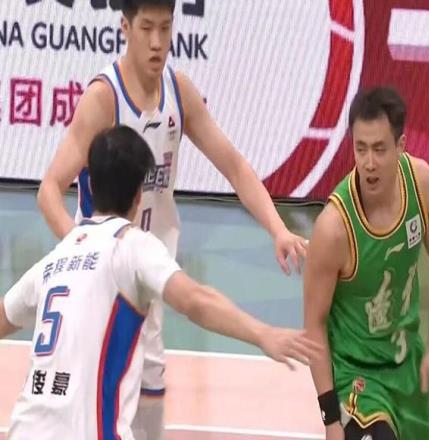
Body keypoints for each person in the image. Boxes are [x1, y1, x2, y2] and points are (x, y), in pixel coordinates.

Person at [37, 0, 307, 437]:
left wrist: (278, 229)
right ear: (125, 27)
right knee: (95, 405)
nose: (157, 41)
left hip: (152, 271)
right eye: (147, 28)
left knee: (149, 401)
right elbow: (49, 190)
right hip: (103, 279)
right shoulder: (104, 99)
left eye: (165, 28)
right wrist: (86, 256)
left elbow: (235, 166)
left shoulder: (179, 92)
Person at [0, 126, 319, 440]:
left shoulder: (56, 258)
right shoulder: (131, 246)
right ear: (140, 195)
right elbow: (195, 300)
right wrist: (263, 334)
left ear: (91, 186)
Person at [303, 86, 429, 440]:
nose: (369, 162)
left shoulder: (421, 184)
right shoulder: (334, 229)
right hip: (358, 378)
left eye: (379, 149)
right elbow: (314, 324)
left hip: (409, 369)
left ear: (400, 146)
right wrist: (330, 419)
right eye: (361, 148)